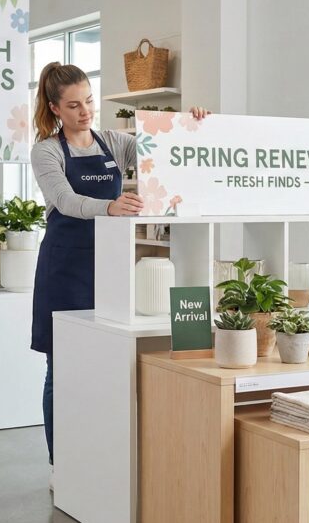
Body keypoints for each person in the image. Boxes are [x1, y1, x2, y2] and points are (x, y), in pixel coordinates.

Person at [30, 62, 208, 486]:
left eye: (89, 101)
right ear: (55, 108)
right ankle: (60, 463)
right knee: (62, 368)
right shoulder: (47, 151)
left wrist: (192, 125)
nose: (85, 112)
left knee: (107, 362)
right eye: (73, 106)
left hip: (108, 267)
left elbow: (163, 149)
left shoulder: (114, 141)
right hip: (64, 268)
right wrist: (108, 207)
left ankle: (98, 452)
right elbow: (65, 199)